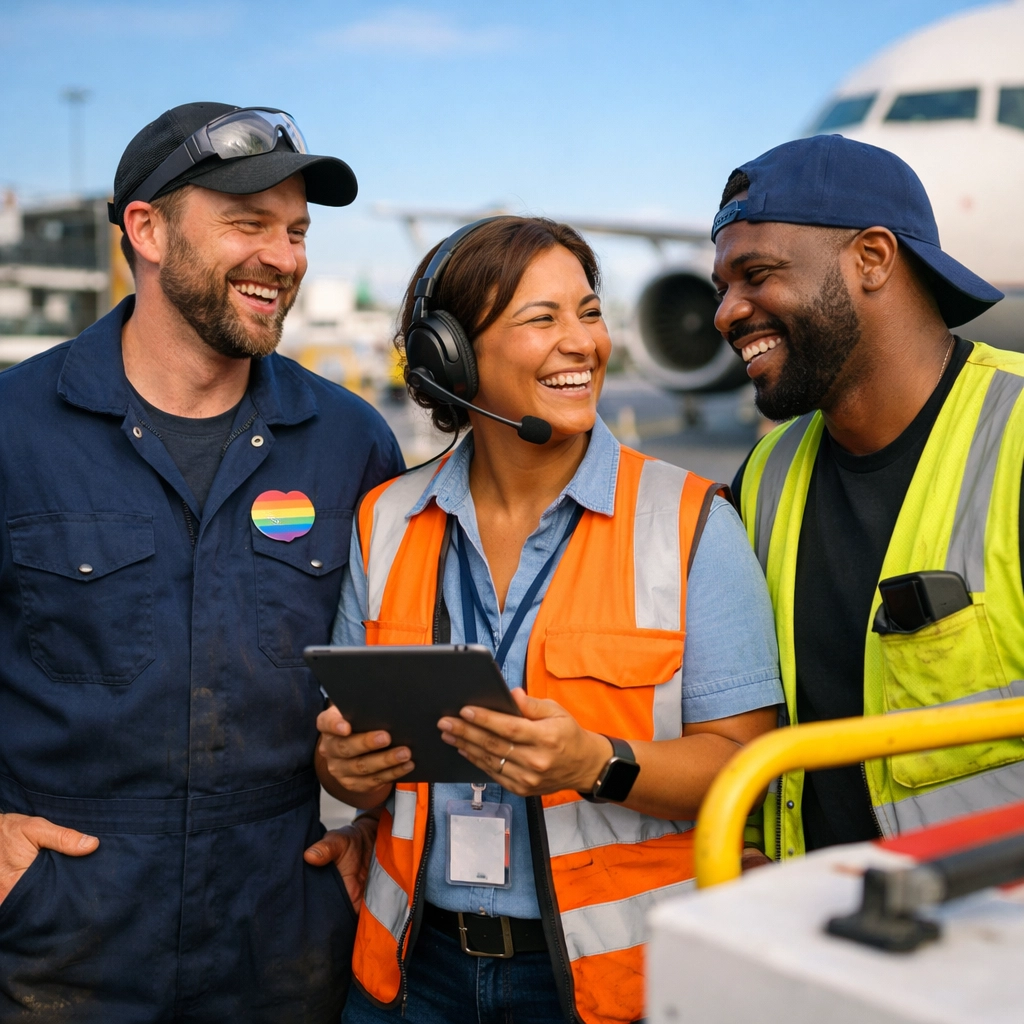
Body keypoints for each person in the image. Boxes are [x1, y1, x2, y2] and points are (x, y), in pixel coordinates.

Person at [310, 216, 783, 1024]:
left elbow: (746, 766)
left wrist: (596, 764)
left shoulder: (689, 519)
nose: (583, 343)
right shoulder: (383, 521)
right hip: (409, 972)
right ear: (452, 357)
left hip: (614, 989)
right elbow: (348, 761)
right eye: (543, 318)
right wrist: (343, 772)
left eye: (590, 313)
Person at [0, 103, 403, 1021]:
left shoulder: (348, 442)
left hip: (283, 937)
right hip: (59, 941)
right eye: (248, 224)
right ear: (145, 229)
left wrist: (370, 828)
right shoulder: (14, 429)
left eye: (297, 232)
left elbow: (391, 679)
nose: (286, 257)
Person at [716, 134, 1024, 863]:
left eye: (755, 274)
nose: (728, 313)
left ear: (873, 260)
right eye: (722, 288)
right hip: (813, 936)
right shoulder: (765, 471)